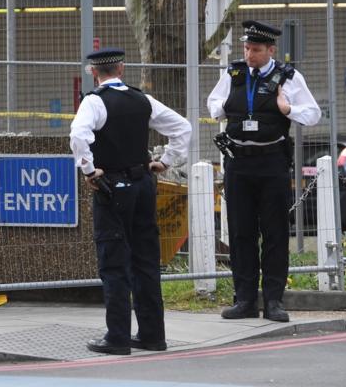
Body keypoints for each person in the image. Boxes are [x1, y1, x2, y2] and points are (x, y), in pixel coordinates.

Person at [69, 48, 191, 355]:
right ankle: (152, 335)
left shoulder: (94, 102)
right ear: (121, 69)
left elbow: (78, 135)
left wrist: (88, 170)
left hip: (112, 187)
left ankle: (118, 337)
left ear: (94, 72)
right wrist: (166, 162)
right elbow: (183, 127)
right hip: (143, 185)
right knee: (146, 260)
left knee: (114, 262)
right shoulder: (143, 100)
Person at [207, 20, 321, 322]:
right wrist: (221, 108)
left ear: (271, 50)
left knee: (274, 233)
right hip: (238, 163)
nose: (249, 55)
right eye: (246, 48)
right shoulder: (233, 73)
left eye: (255, 50)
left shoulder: (289, 77)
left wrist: (288, 110)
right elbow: (213, 102)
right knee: (241, 233)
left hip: (272, 163)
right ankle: (244, 299)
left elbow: (313, 114)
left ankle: (273, 300)